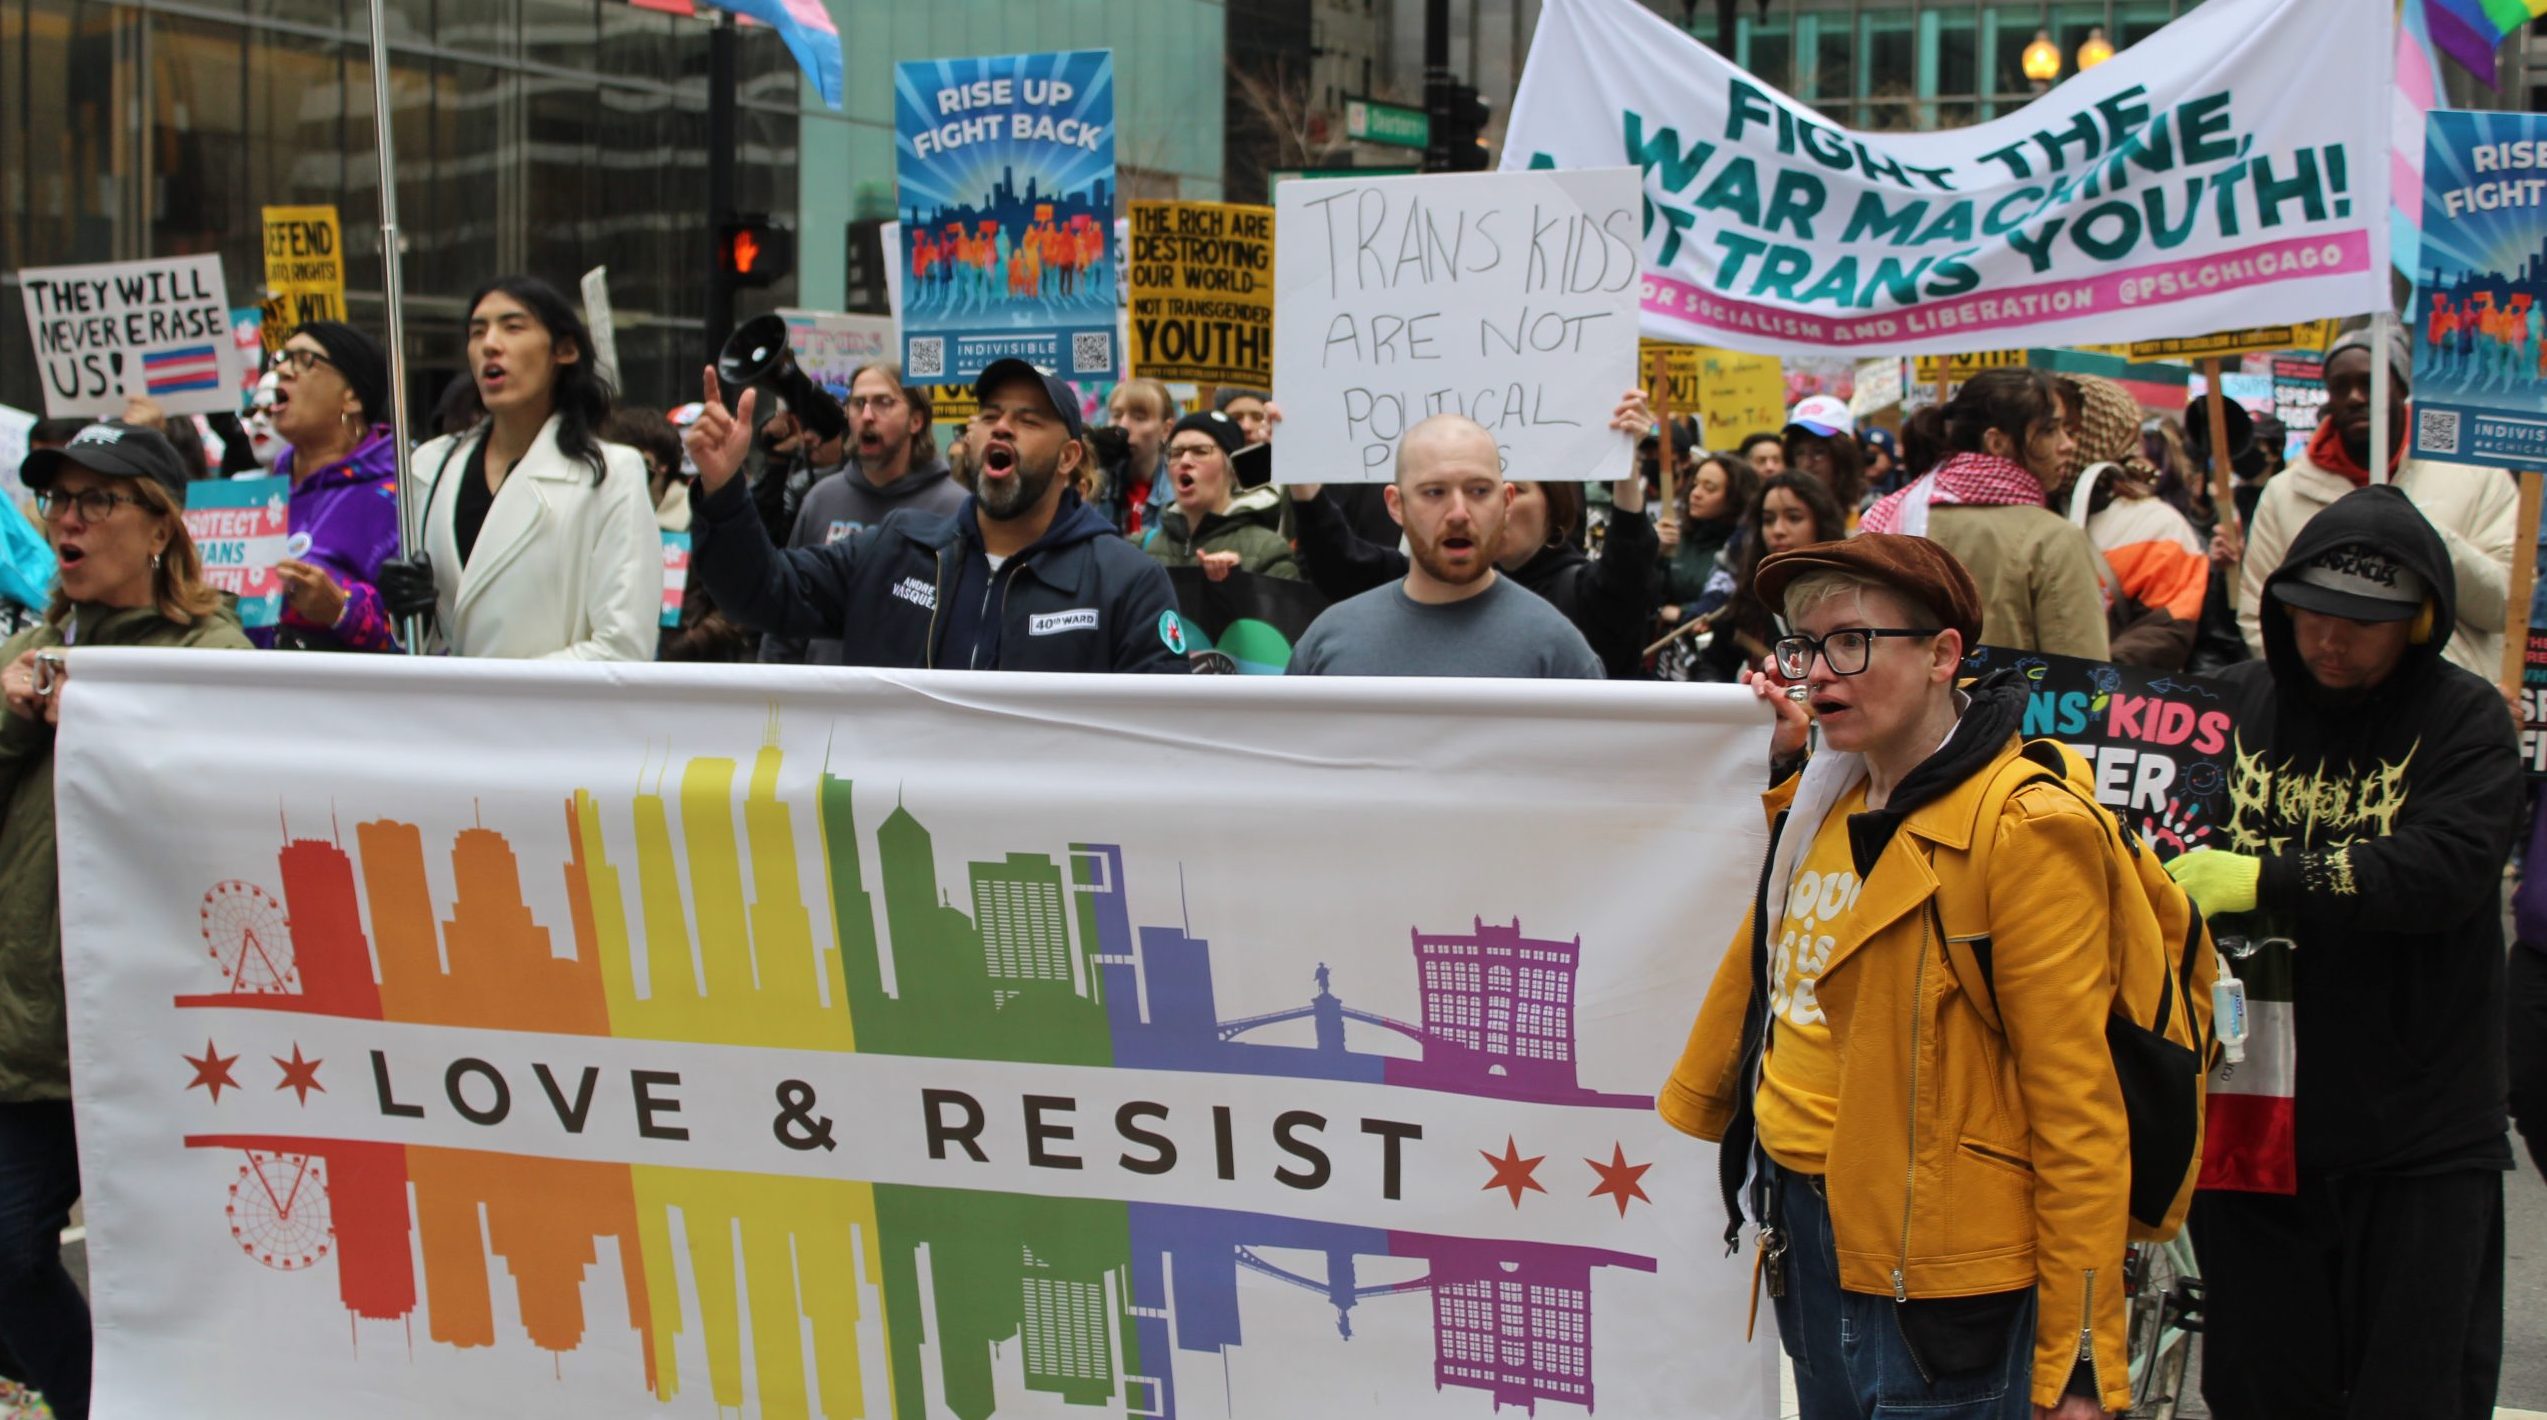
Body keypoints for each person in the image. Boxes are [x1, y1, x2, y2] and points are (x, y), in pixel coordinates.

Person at [1661, 533, 2132, 1420]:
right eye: (1802, 646)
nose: (1818, 673)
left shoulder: (2025, 829)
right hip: (1802, 1225)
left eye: (1851, 642)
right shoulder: (1826, 796)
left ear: (1943, 655)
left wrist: (2076, 1363)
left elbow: (2078, 1112)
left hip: (1939, 1272)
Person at [2170, 484, 2522, 1420]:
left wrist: (2265, 878)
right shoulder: (2229, 702)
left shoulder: (2468, 719)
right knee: (2258, 1382)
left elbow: (2444, 870)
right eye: (2312, 615)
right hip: (2250, 1114)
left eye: (2363, 625)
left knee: (2415, 1387)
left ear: (2419, 624)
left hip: (2419, 1121)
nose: (2331, 641)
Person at [0, 421, 253, 1420]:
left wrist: (112, 724)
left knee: (52, 1252)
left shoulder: (211, 653)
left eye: (96, 499)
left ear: (160, 526)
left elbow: (215, 809)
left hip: (146, 1035)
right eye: (58, 498)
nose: (68, 518)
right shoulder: (33, 646)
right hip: (24, 1022)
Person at [687, 358, 1186, 673]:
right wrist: (723, 486)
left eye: (1028, 420)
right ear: (969, 439)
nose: (1003, 428)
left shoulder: (1126, 581)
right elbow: (760, 592)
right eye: (990, 416)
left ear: (1069, 458)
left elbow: (1159, 737)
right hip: (896, 833)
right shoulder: (896, 550)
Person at [375, 275, 659, 661]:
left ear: (564, 350)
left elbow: (623, 648)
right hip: (448, 717)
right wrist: (412, 616)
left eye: (513, 327)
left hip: (551, 717)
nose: (490, 344)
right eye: (478, 332)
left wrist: (500, 695)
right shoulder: (430, 466)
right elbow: (436, 640)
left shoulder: (612, 474)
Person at [1286, 392, 1662, 677]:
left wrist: (1625, 474)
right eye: (1434, 492)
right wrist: (1301, 479)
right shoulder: (1327, 643)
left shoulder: (1557, 650)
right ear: (1395, 504)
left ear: (1506, 500)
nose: (1459, 513)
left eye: (1479, 490)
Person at [2237, 325, 2517, 680]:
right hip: (2330, 717)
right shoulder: (2285, 493)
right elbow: (2258, 614)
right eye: (2340, 387)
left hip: (2445, 716)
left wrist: (2426, 537)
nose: (2354, 397)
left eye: (2370, 382)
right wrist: (2312, 692)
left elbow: (2506, 607)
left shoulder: (2476, 477)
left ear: (2401, 388)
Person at [1863, 369, 2108, 660]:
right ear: (1997, 442)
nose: (2068, 445)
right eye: (2049, 430)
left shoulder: (1889, 515)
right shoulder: (2055, 539)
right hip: (2017, 705)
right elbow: (2083, 681)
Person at [763, 362, 963, 666]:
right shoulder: (821, 499)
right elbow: (786, 615)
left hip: (912, 703)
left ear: (916, 420)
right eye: (858, 404)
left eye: (884, 402)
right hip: (824, 702)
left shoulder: (955, 508)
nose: (867, 416)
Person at [258, 322, 402, 652]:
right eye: (281, 358)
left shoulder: (401, 497)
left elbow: (428, 640)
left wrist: (341, 610)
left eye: (304, 359)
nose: (282, 370)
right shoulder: (262, 495)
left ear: (351, 397)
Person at [2048, 374, 2208, 670]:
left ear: (2101, 433)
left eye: (2070, 430)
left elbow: (2165, 631)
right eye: (2049, 430)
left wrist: (2082, 680)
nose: (2063, 445)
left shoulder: (2158, 526)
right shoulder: (2021, 508)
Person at [1682, 472, 1848, 683]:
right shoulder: (1751, 594)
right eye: (1768, 520)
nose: (1777, 530)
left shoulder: (1847, 594)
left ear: (1821, 523)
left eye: (1794, 517)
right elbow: (1713, 664)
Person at [1140, 412, 1299, 581]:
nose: (1185, 461)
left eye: (1200, 451)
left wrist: (1242, 582)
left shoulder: (1268, 551)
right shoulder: (1142, 546)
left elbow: (1287, 606)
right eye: (1176, 453)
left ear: (1231, 471)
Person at [1656, 451, 1757, 629]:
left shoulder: (1745, 545)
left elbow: (1737, 604)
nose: (1695, 494)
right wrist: (1655, 552)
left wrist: (1683, 613)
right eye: (1694, 485)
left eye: (1709, 488)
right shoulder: (1677, 535)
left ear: (1735, 497)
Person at [1093, 378, 1177, 536]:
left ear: (1166, 430)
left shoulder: (1180, 492)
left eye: (1139, 418)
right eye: (1117, 416)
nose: (1123, 425)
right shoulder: (1095, 486)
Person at [1784, 395, 1867, 516]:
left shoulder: (1869, 512)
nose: (1807, 463)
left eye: (1819, 452)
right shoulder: (1781, 514)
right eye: (1799, 453)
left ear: (1843, 455)